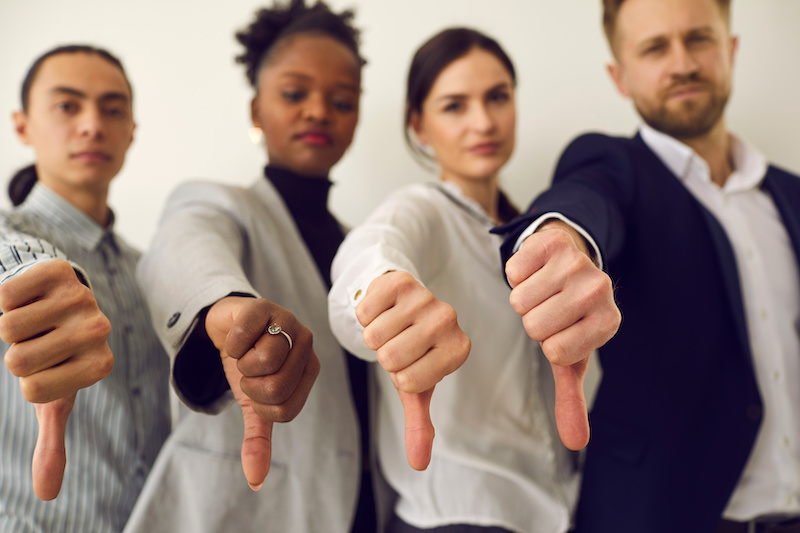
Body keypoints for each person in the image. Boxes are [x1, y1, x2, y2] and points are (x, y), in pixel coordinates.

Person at [496, 0, 800, 531]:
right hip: (663, 515)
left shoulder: (790, 195)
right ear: (620, 76)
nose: (681, 62)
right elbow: (583, 199)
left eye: (699, 39)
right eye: (655, 47)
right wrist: (563, 236)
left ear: (730, 50)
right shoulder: (615, 167)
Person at [124, 1, 427, 531]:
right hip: (239, 510)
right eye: (294, 93)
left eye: (341, 99)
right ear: (255, 111)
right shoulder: (220, 202)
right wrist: (223, 306)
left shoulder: (363, 247)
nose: (318, 111)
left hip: (360, 510)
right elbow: (185, 244)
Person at [328, 28, 619, 533]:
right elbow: (369, 252)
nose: (483, 121)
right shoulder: (421, 211)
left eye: (497, 97)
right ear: (418, 125)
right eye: (454, 106)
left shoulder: (537, 232)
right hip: (454, 516)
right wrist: (376, 296)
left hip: (556, 511)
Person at [0, 45, 170, 532]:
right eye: (67, 105)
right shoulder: (9, 233)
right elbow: (9, 256)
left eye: (112, 109)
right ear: (22, 126)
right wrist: (34, 280)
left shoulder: (150, 270)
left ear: (131, 131)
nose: (92, 124)